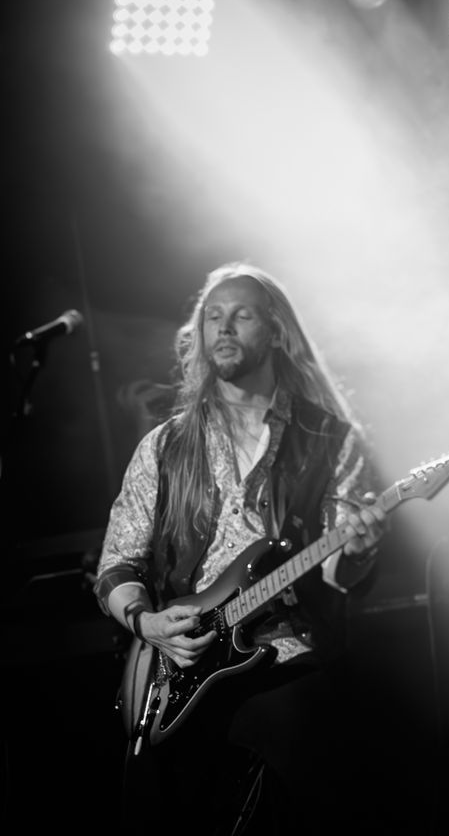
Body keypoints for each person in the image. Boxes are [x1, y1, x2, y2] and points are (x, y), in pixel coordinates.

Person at [93, 262, 391, 835]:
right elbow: (118, 563)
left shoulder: (329, 442)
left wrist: (360, 550)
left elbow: (339, 572)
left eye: (242, 315)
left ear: (275, 331)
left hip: (286, 660)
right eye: (213, 317)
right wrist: (149, 623)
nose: (224, 328)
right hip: (178, 665)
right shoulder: (164, 447)